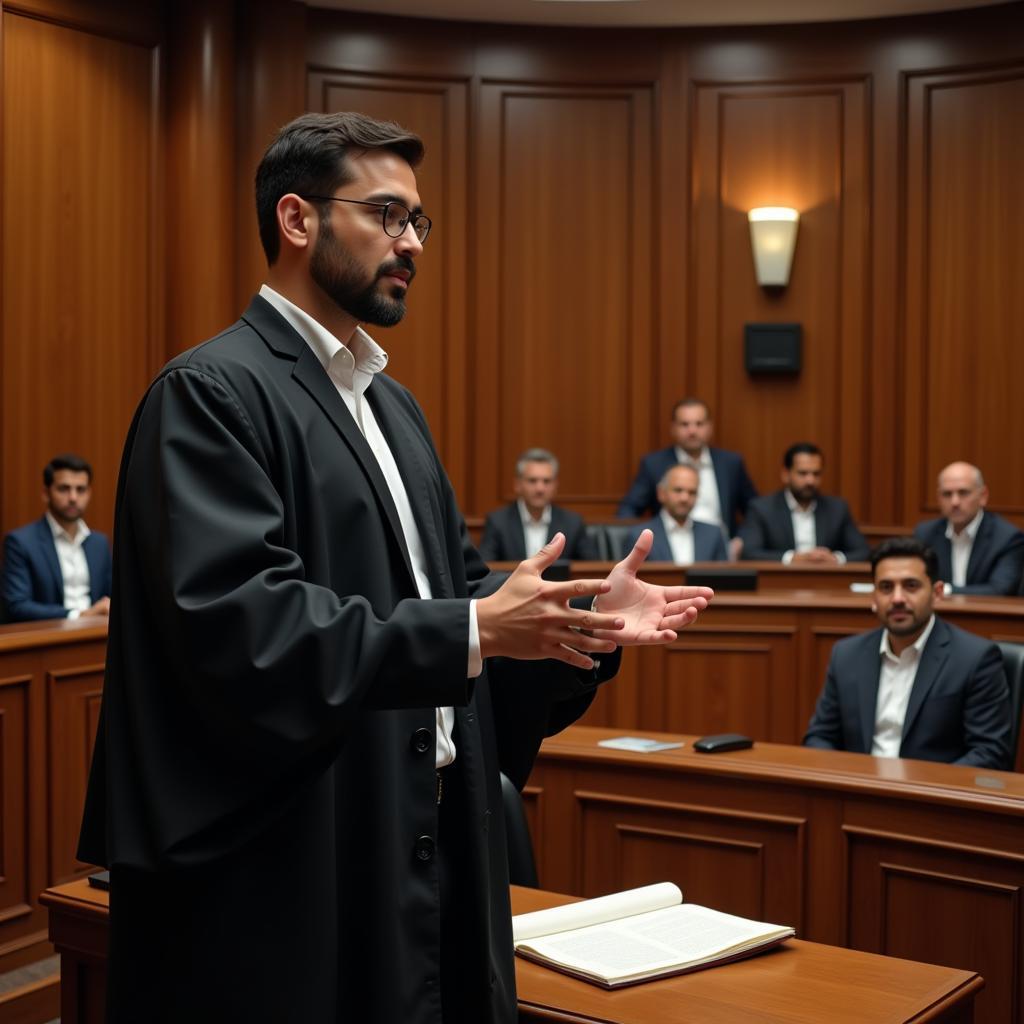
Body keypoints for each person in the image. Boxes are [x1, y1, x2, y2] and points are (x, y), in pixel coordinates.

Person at [76, 111, 712, 1024]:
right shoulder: (211, 393)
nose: (411, 242)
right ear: (298, 221)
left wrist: (576, 622)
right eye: (386, 214)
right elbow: (237, 628)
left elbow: (448, 611)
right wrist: (474, 625)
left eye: (419, 221)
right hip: (286, 865)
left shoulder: (393, 406)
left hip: (423, 832)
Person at [803, 537, 1011, 769]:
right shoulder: (846, 654)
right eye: (886, 587)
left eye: (911, 586)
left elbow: (990, 752)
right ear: (873, 597)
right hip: (859, 793)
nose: (898, 598)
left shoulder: (975, 658)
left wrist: (922, 791)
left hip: (931, 799)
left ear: (937, 592)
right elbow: (819, 737)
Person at [616, 397, 757, 542]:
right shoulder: (654, 465)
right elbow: (627, 511)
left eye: (699, 424)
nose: (692, 430)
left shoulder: (731, 463)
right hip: (671, 551)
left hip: (721, 551)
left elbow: (754, 511)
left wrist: (741, 540)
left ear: (710, 427)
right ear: (673, 428)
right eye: (684, 424)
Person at [1, 454, 111, 622]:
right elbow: (16, 605)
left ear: (89, 493)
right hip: (48, 639)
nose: (73, 498)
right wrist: (79, 615)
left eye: (80, 489)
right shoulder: (20, 542)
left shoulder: (99, 543)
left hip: (97, 635)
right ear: (46, 493)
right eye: (64, 489)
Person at [739, 442, 870, 563]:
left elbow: (863, 551)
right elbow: (749, 553)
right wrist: (793, 558)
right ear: (785, 474)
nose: (810, 481)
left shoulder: (837, 509)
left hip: (827, 582)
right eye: (803, 473)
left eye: (816, 474)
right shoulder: (762, 508)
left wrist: (835, 558)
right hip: (782, 582)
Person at [913, 461, 1024, 596]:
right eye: (947, 494)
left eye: (963, 493)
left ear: (983, 496)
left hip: (985, 615)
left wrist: (943, 590)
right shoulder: (925, 534)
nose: (955, 502)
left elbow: (1000, 590)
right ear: (939, 499)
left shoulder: (1008, 538)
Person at [478, 448, 598, 561]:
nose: (540, 488)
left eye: (546, 481)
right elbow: (487, 568)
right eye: (532, 480)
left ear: (555, 485)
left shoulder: (573, 523)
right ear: (518, 484)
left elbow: (591, 569)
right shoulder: (498, 522)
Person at [626, 464, 728, 564]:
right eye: (678, 490)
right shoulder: (638, 535)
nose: (685, 498)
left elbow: (723, 577)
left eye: (692, 492)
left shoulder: (714, 534)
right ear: (661, 493)